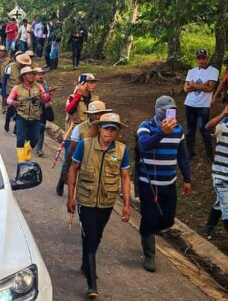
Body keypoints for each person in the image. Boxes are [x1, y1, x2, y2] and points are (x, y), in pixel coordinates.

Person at [67, 112, 131, 299]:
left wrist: (126, 204)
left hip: (107, 202)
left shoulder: (121, 150)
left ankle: (86, 264)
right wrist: (70, 197)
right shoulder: (84, 145)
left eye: (114, 129)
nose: (110, 132)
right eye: (107, 128)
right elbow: (73, 169)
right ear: (99, 128)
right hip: (85, 200)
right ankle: (92, 284)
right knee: (90, 234)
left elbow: (125, 177)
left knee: (96, 236)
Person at [136, 95, 192, 272]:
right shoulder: (146, 127)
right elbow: (144, 146)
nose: (170, 114)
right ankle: (149, 254)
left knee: (168, 219)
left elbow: (182, 156)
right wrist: (162, 132)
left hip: (169, 182)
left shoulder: (178, 130)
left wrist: (187, 179)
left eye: (173, 110)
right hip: (149, 183)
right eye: (166, 110)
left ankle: (148, 230)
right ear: (157, 110)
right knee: (150, 217)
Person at [56, 73, 100, 196]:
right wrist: (78, 94)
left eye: (93, 82)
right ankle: (62, 180)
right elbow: (69, 109)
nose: (93, 85)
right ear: (82, 84)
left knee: (87, 162)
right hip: (74, 133)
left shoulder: (95, 99)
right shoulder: (72, 97)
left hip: (91, 133)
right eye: (90, 82)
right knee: (69, 161)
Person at [204, 104, 228, 248]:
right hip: (222, 177)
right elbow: (208, 127)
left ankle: (209, 226)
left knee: (221, 202)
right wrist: (224, 114)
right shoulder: (222, 128)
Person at [6, 66, 51, 160]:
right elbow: (8, 99)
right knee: (20, 139)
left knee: (35, 139)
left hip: (35, 118)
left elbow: (45, 99)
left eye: (32, 74)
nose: (32, 76)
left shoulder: (38, 87)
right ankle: (21, 161)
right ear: (23, 76)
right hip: (21, 117)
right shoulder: (17, 88)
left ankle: (26, 150)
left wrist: (49, 95)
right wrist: (13, 103)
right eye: (29, 74)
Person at [184, 49, 219, 161]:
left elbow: (210, 88)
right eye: (199, 58)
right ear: (196, 59)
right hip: (189, 104)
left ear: (207, 58)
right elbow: (185, 88)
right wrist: (202, 85)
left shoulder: (213, 71)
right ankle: (189, 152)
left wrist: (193, 85)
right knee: (190, 130)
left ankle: (209, 156)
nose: (201, 60)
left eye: (203, 57)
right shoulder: (192, 71)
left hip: (203, 106)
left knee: (204, 130)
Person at [63, 100, 113, 180]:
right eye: (95, 114)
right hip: (84, 167)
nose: (98, 116)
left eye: (101, 113)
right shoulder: (79, 128)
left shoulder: (110, 129)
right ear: (89, 114)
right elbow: (72, 149)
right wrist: (68, 169)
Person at [3, 53, 32, 130]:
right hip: (11, 93)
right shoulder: (10, 67)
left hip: (22, 93)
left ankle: (16, 128)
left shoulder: (27, 70)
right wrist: (4, 95)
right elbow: (4, 81)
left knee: (20, 112)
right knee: (11, 111)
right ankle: (7, 122)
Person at [33, 67, 52, 156]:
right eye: (39, 74)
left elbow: (46, 95)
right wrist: (42, 103)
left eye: (42, 74)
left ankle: (39, 149)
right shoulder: (31, 84)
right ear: (34, 75)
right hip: (33, 110)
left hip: (43, 111)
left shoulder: (44, 83)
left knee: (41, 129)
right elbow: (33, 98)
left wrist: (48, 101)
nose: (41, 76)